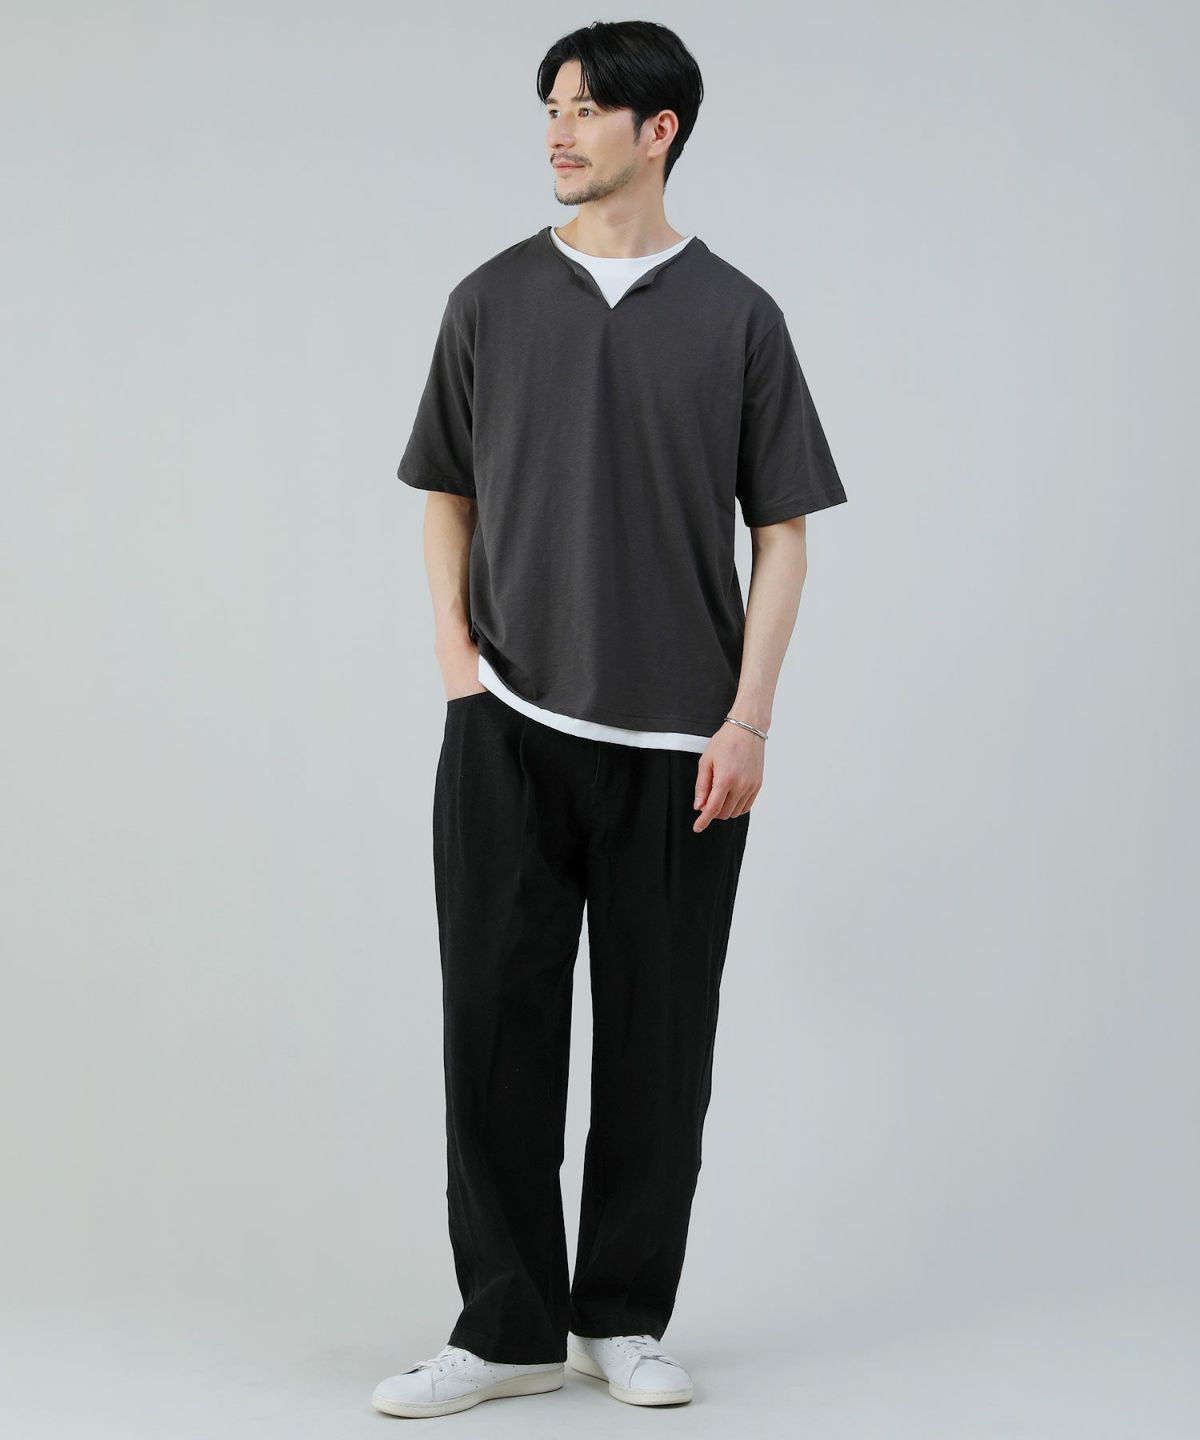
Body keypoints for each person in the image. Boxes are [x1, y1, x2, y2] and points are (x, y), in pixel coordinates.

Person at [372, 19, 847, 1420]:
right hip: (508, 722)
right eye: (551, 108)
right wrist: (458, 663)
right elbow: (445, 489)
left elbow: (785, 535)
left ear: (661, 130)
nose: (558, 132)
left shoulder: (740, 317)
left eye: (585, 110)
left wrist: (749, 720)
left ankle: (619, 1317)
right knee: (494, 1032)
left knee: (659, 1041)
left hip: (680, 746)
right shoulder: (489, 298)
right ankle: (505, 1328)